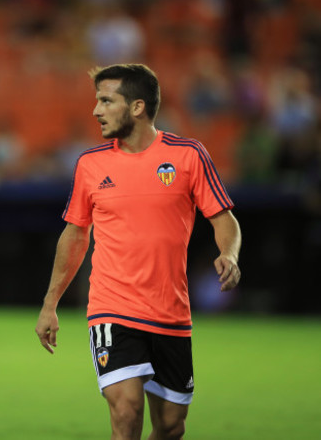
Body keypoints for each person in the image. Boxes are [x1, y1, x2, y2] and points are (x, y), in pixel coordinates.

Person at [35, 64, 241, 440]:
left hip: (170, 311)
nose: (95, 110)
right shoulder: (90, 164)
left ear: (137, 107)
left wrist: (229, 254)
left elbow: (223, 218)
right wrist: (50, 304)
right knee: (127, 411)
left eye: (106, 101)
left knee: (171, 426)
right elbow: (75, 235)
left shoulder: (189, 156)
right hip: (112, 308)